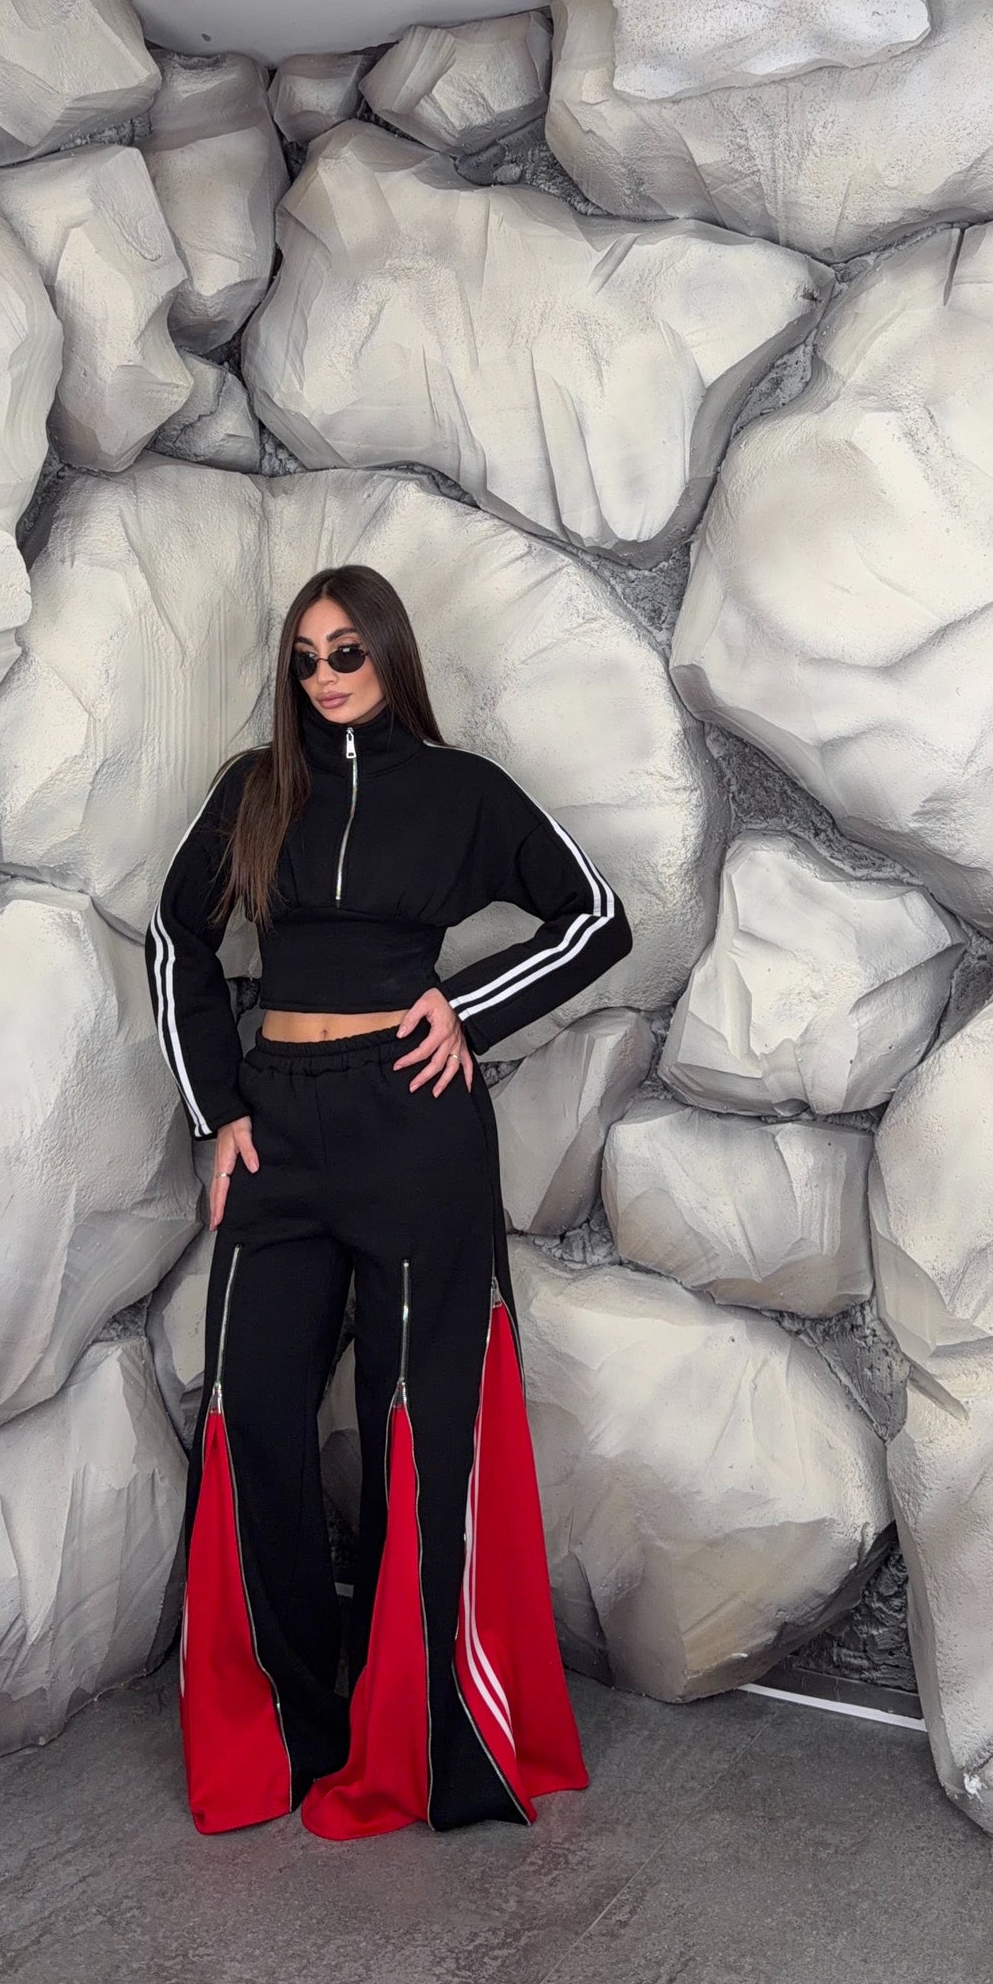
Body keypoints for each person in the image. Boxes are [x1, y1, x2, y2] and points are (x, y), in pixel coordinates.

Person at [149, 561, 633, 1840]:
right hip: (278, 1127)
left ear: (389, 653)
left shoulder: (460, 790)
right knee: (251, 1411)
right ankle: (285, 1729)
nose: (324, 676)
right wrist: (217, 1110)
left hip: (414, 1129)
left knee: (414, 1427)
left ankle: (410, 1740)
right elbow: (174, 935)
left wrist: (463, 1008)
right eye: (304, 658)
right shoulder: (255, 791)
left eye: (346, 651)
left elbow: (595, 918)